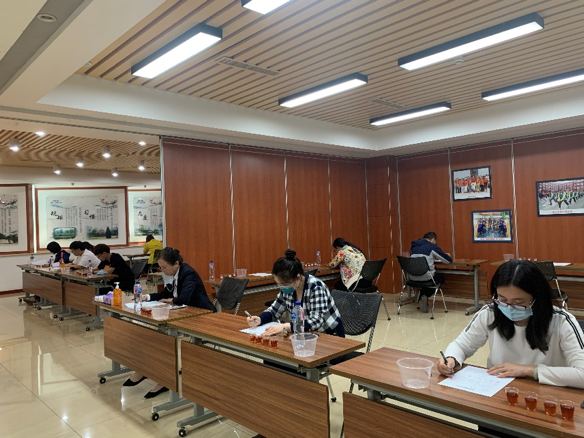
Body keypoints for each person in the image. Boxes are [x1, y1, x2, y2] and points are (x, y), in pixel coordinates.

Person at [438, 260, 584, 389]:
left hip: (544, 391)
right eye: (502, 299)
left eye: (518, 302)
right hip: (499, 389)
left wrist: (529, 370)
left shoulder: (561, 321)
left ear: (537, 299)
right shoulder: (490, 313)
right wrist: (451, 359)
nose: (509, 307)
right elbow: (462, 345)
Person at [124, 247, 216, 398]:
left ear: (176, 264)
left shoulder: (188, 273)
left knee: (164, 338)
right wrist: (146, 297)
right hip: (184, 313)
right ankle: (150, 370)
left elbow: (183, 298)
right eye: (160, 267)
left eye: (164, 267)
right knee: (154, 335)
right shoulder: (173, 274)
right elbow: (165, 294)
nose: (162, 270)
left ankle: (164, 377)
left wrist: (170, 300)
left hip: (202, 315)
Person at [248, 248, 344, 337]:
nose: (282, 287)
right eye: (279, 284)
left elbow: (316, 321)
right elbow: (274, 310)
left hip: (329, 334)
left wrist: (286, 326)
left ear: (298, 277)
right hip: (305, 333)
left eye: (284, 284)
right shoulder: (289, 287)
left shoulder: (316, 287)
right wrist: (260, 319)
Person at [409, 232, 452, 313]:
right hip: (426, 276)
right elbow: (448, 261)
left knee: (429, 278)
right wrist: (448, 256)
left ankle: (421, 294)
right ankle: (424, 294)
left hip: (412, 277)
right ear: (432, 240)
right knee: (440, 278)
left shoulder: (414, 246)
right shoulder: (432, 246)